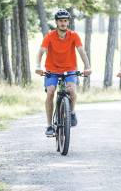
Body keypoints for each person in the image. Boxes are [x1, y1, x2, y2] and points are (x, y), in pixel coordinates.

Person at [35, 9, 91, 137]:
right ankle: (49, 125)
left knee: (72, 91)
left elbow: (82, 51)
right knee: (50, 92)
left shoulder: (74, 36)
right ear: (56, 22)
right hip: (52, 70)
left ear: (68, 22)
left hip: (69, 69)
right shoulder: (49, 36)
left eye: (65, 21)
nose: (63, 23)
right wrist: (38, 66)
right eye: (61, 21)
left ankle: (71, 112)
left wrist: (87, 67)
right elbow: (41, 51)